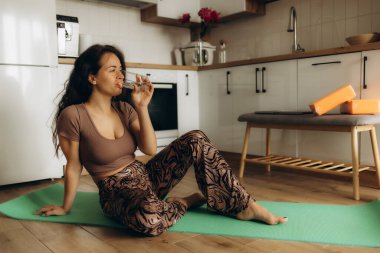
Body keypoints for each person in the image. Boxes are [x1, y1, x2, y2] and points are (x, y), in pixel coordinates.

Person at [35, 44, 287, 236]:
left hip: (147, 177)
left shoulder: (125, 109)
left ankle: (243, 205)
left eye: (121, 70)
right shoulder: (73, 115)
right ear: (92, 77)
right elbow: (74, 165)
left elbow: (150, 148)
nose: (120, 76)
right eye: (112, 70)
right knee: (150, 219)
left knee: (196, 138)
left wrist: (142, 107)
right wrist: (65, 207)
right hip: (116, 192)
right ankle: (186, 202)